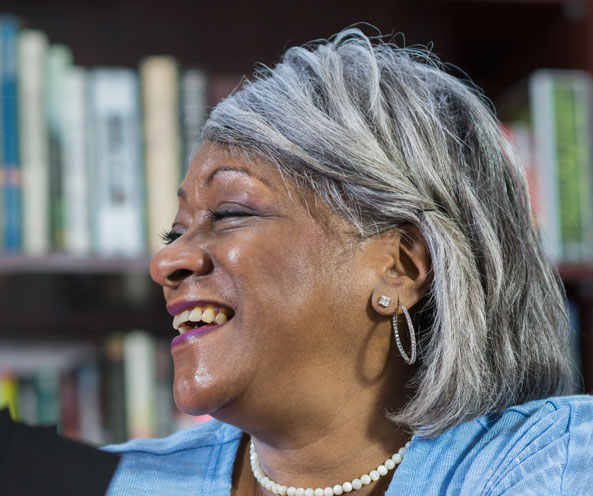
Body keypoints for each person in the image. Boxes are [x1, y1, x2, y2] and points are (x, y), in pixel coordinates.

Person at [103, 28, 593, 495]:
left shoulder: (555, 460)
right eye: (175, 231)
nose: (167, 260)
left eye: (230, 213)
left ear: (399, 267)